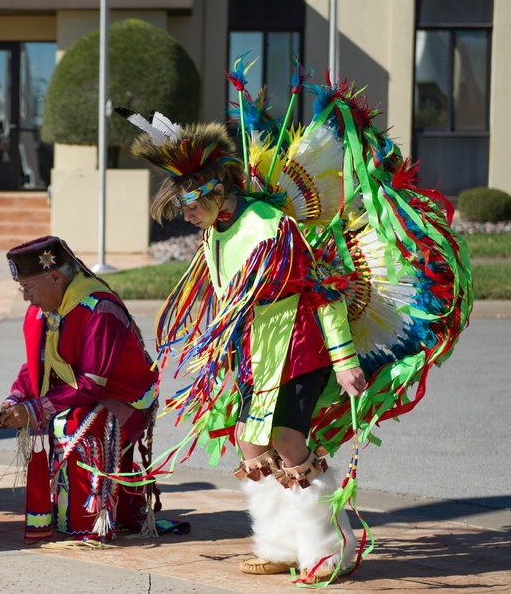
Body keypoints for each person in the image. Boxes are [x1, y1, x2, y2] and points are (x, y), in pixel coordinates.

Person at [127, 119, 363, 583]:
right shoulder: (217, 229)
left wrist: (345, 359)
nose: (185, 216)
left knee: (289, 442)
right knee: (251, 443)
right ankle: (280, 545)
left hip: (296, 345)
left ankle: (330, 550)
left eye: (188, 206)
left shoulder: (269, 226)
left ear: (215, 192)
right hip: (257, 349)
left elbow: (323, 292)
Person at [0, 236, 159, 544]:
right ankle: (65, 512)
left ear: (55, 277)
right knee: (54, 416)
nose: (26, 298)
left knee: (68, 423)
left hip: (123, 398)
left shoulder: (99, 309)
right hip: (82, 391)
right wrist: (14, 398)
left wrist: (33, 409)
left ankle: (93, 519)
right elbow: (36, 366)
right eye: (22, 289)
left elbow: (91, 386)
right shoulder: (43, 311)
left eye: (28, 288)